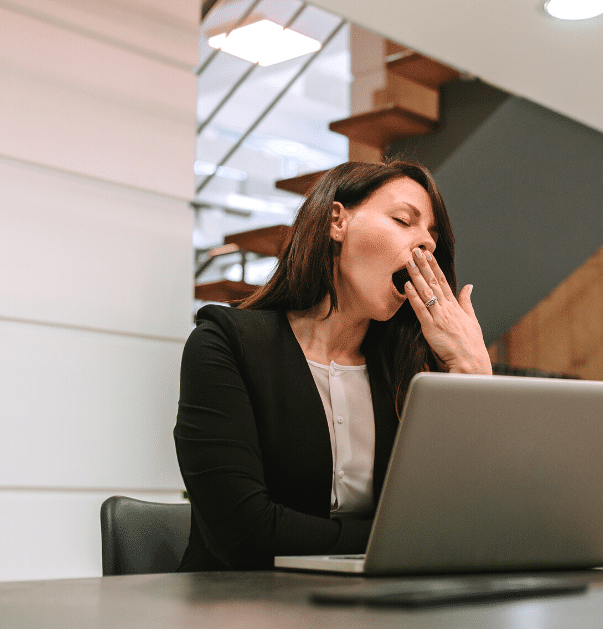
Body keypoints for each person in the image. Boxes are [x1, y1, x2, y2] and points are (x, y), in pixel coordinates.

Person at [173, 161, 493, 570]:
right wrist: (393, 541)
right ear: (337, 222)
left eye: (432, 237)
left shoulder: (413, 372)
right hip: (240, 611)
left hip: (382, 615)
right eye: (403, 220)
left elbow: (472, 521)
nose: (425, 246)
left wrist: (472, 370)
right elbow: (243, 531)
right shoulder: (224, 343)